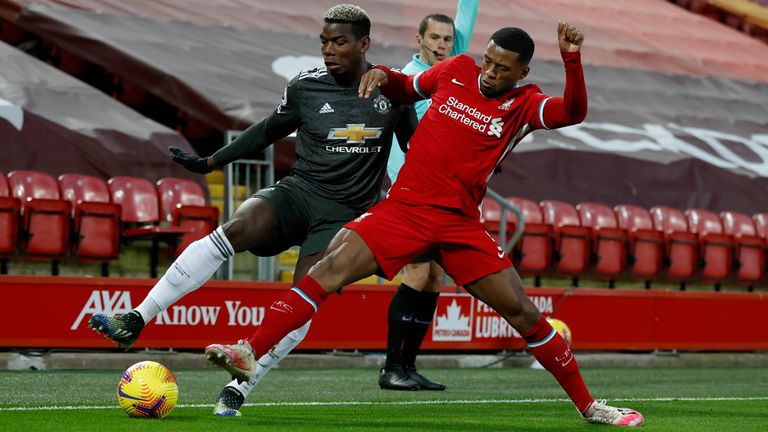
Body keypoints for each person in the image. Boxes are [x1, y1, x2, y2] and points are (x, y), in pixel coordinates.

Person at [205, 22, 645, 426]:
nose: (489, 73)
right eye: (488, 61)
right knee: (327, 270)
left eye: (502, 68)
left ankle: (589, 407)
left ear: (521, 71)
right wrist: (383, 77)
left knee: (523, 312)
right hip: (406, 209)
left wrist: (572, 59)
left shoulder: (524, 104)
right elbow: (407, 86)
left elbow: (573, 112)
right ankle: (249, 351)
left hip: (459, 224)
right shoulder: (454, 70)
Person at [89, 4, 417, 417]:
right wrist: (212, 162)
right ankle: (136, 318)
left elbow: (418, 153)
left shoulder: (394, 94)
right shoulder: (305, 87)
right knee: (237, 226)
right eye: (323, 41)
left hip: (346, 215)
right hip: (299, 193)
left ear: (363, 43)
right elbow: (266, 130)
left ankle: (238, 388)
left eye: (339, 42)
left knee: (305, 294)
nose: (328, 50)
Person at [379, 0, 478, 392]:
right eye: (434, 37)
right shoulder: (410, 79)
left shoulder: (451, 69)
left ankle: (408, 366)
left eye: (448, 39)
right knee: (417, 273)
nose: (442, 44)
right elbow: (396, 142)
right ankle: (390, 368)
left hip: (443, 192)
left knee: (435, 278)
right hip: (412, 192)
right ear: (418, 39)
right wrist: (401, 185)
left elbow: (467, 13)